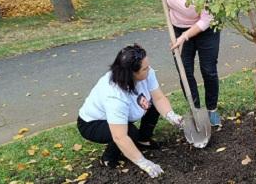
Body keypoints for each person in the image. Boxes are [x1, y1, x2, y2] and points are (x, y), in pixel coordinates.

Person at [77, 44, 185, 178]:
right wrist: (144, 163)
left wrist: (171, 115)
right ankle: (108, 158)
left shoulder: (147, 73)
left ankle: (143, 140)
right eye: (144, 68)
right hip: (92, 123)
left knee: (153, 107)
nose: (149, 69)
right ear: (131, 73)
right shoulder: (114, 95)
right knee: (129, 132)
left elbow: (158, 98)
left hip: (122, 115)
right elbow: (120, 136)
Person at [145, 0, 223, 127]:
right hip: (178, 27)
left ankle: (212, 109)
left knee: (208, 70)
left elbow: (206, 20)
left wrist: (185, 37)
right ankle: (195, 110)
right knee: (185, 71)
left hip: (206, 30)